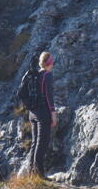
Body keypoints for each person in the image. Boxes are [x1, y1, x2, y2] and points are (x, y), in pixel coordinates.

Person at [29, 51, 57, 179]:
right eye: (51, 61)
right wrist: (53, 113)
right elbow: (48, 96)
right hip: (43, 113)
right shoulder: (48, 75)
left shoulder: (36, 75)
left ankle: (32, 174)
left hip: (32, 112)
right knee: (42, 143)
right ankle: (40, 175)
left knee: (35, 142)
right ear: (49, 63)